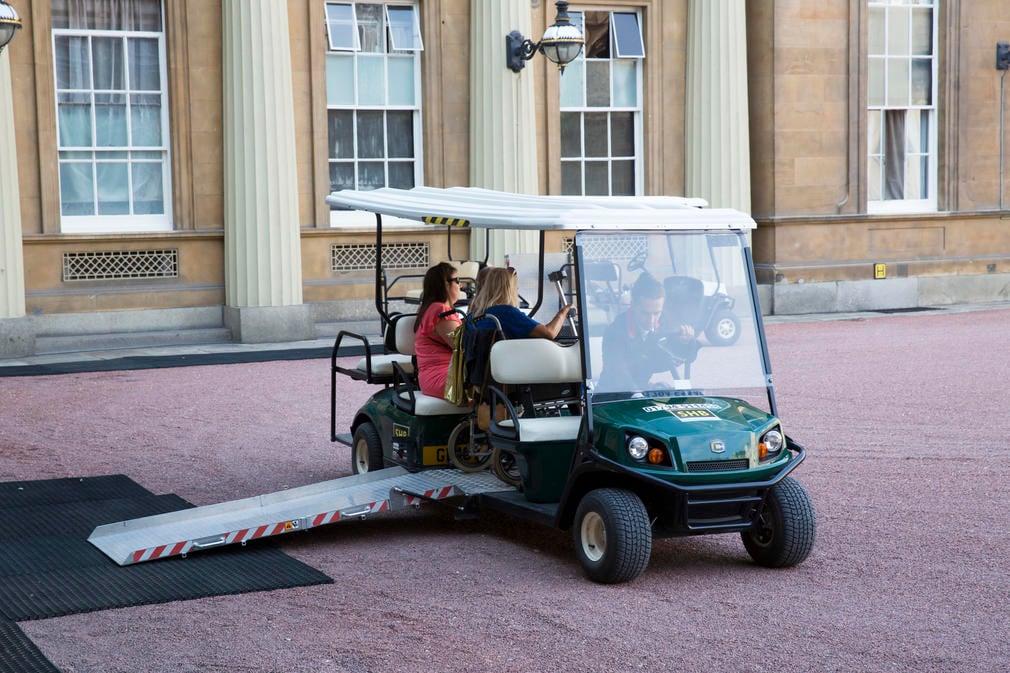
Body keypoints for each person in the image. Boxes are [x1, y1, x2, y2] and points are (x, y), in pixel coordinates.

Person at [597, 273, 697, 391]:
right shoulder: (615, 332)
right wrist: (640, 394)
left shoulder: (666, 322)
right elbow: (619, 373)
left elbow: (676, 359)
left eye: (656, 313)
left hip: (643, 391)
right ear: (633, 305)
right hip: (613, 395)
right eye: (645, 313)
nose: (652, 321)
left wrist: (686, 343)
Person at [467, 266, 572, 339]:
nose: (517, 289)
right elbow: (549, 333)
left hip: (479, 368)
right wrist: (564, 312)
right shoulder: (507, 313)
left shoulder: (473, 316)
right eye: (514, 286)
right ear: (508, 289)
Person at [413, 262, 463, 399]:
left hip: (440, 374)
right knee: (491, 384)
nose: (461, 285)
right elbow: (463, 345)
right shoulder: (440, 310)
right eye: (457, 280)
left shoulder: (430, 308)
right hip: (442, 376)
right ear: (445, 284)